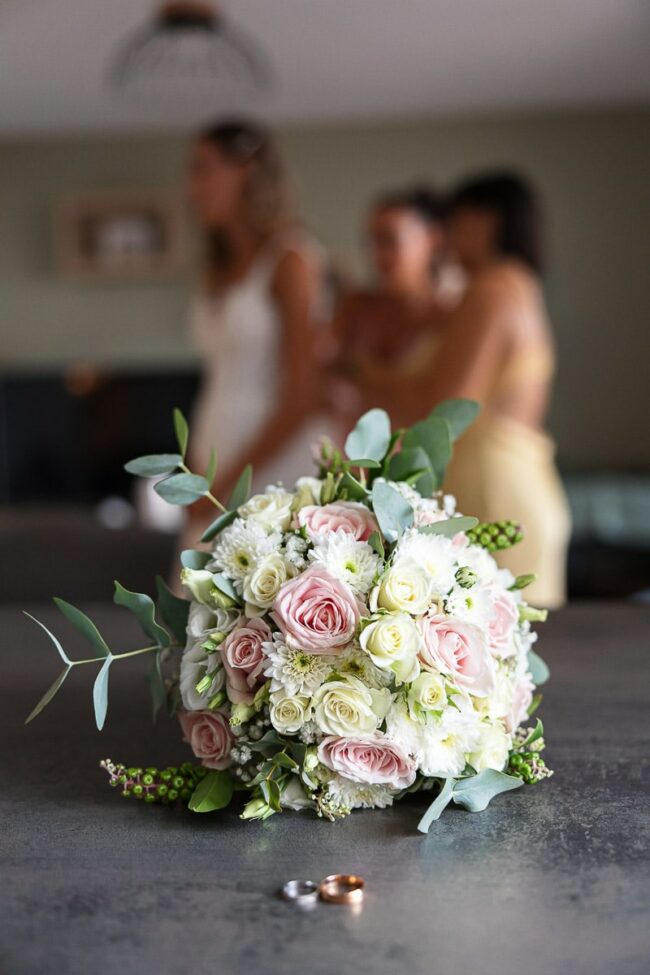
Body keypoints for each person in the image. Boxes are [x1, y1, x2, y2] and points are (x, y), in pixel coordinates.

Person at [393, 172, 570, 607]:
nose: (447, 237)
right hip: (512, 481)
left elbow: (447, 409)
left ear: (487, 221)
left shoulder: (491, 290)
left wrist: (362, 374)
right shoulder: (515, 285)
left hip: (494, 494)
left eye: (456, 221)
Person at [181, 119, 327, 544]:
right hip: (216, 445)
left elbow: (304, 393)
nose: (192, 185)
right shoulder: (217, 270)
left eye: (203, 168)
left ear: (244, 170)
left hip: (271, 457)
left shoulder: (290, 260)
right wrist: (196, 472)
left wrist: (228, 482)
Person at [330, 187, 453, 432]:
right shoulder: (355, 306)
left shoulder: (450, 317)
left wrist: (358, 369)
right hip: (354, 455)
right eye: (370, 242)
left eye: (388, 240)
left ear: (431, 239)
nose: (376, 255)